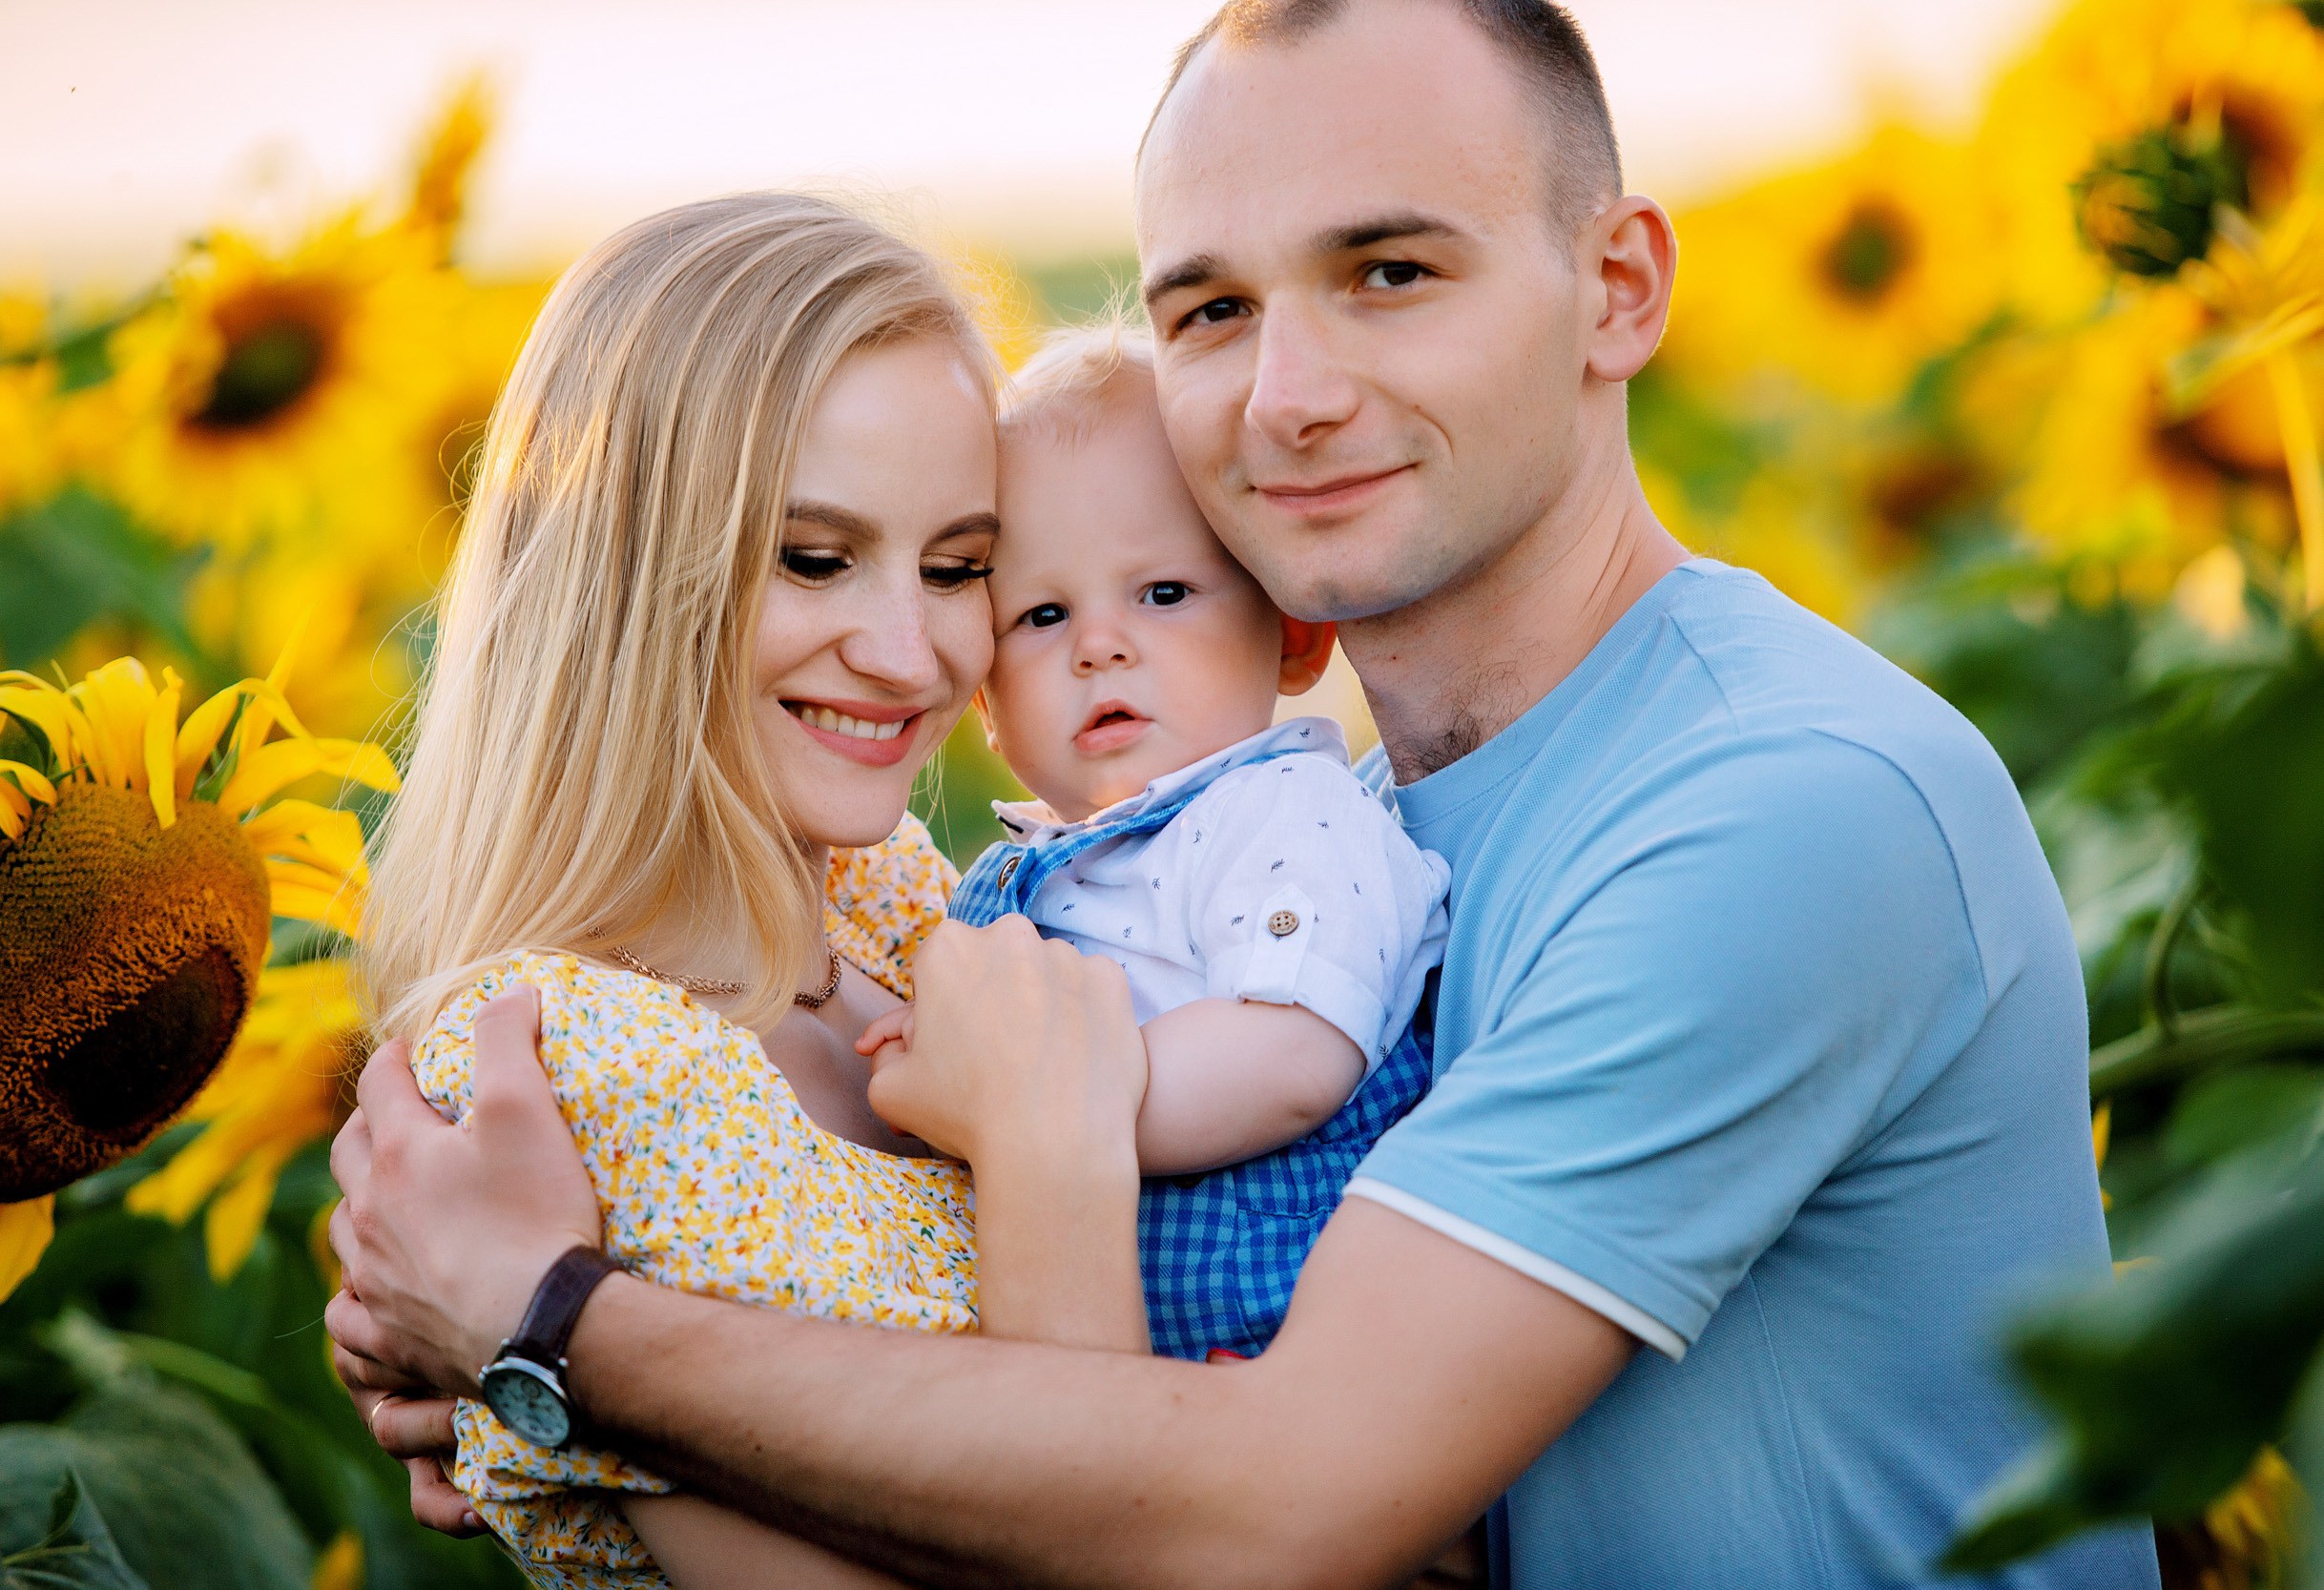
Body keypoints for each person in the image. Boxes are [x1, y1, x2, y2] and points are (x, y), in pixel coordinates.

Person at [327, 3, 2164, 1585]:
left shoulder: (1774, 808)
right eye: (1208, 308)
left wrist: (552, 1333)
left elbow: (1271, 1511)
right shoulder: (1308, 832)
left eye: (1391, 272)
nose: (1286, 394)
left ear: (1616, 291)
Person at [351, 193, 1151, 1589]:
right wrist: (1051, 1163)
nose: (913, 655)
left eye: (958, 565)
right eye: (814, 556)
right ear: (619, 573)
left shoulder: (887, 901)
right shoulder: (558, 1066)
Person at [898, 322, 1448, 1359]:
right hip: (1085, 1346)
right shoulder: (1011, 879)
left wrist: (1015, 1105)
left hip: (1276, 1359)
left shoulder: (1286, 816)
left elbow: (1290, 1051)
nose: (1101, 644)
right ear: (985, 697)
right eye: (1043, 613)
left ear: (1292, 631)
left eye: (1162, 592)